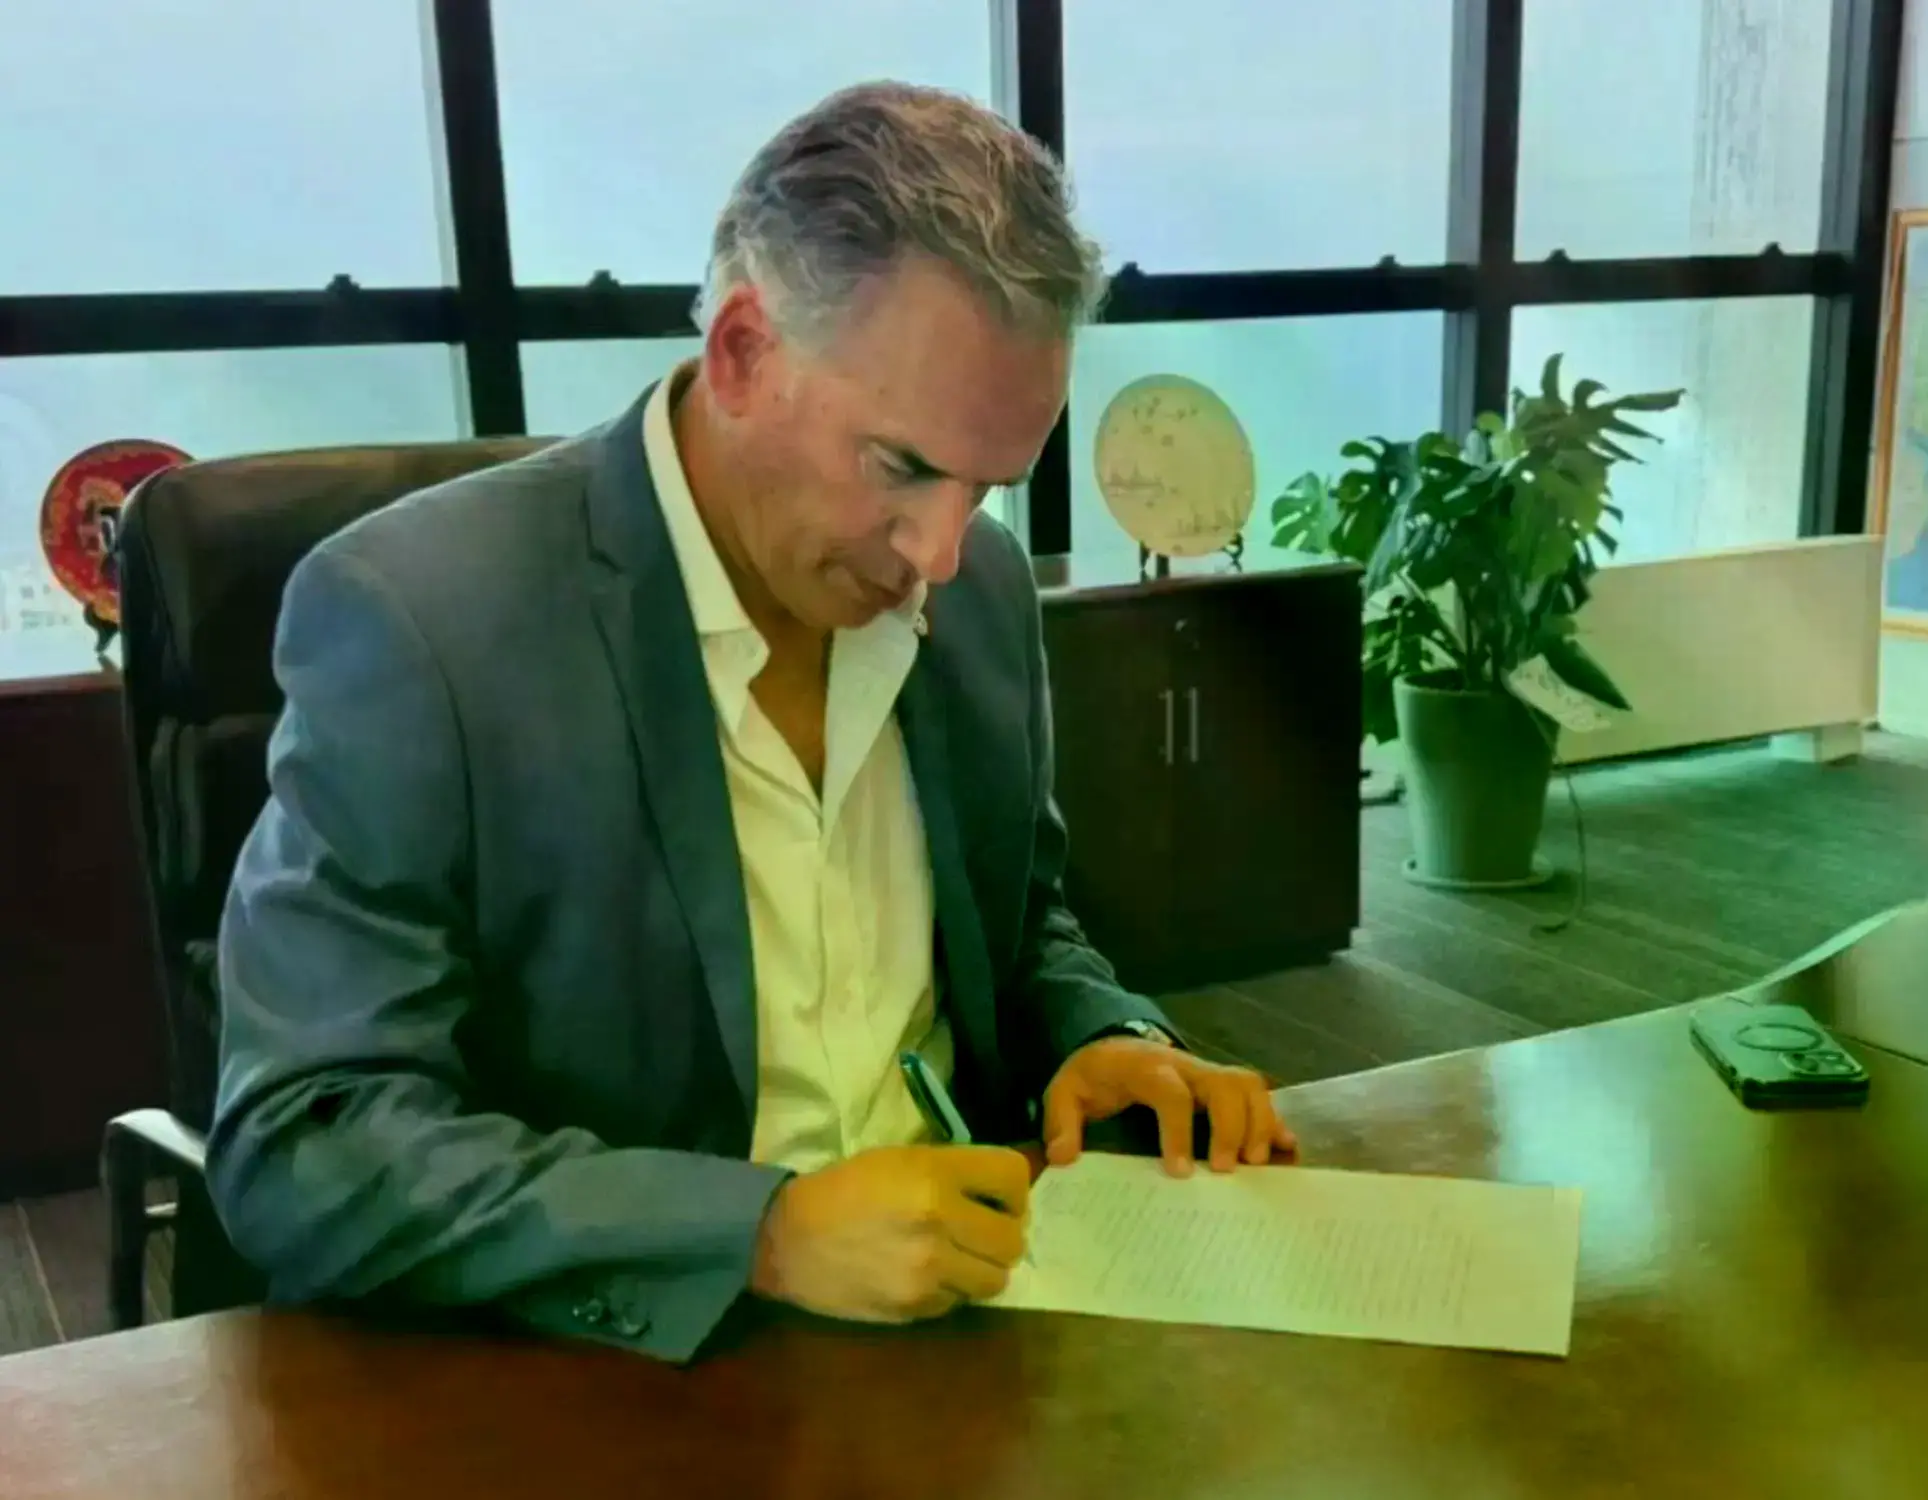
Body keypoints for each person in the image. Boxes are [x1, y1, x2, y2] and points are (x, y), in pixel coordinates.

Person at [209, 81, 1293, 1363]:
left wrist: (1101, 1036)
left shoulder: (981, 591)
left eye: (987, 485)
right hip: (608, 1373)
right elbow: (306, 1138)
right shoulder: (422, 620)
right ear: (740, 355)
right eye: (900, 467)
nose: (941, 553)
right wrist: (759, 1234)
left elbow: (1014, 929)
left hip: (957, 1326)